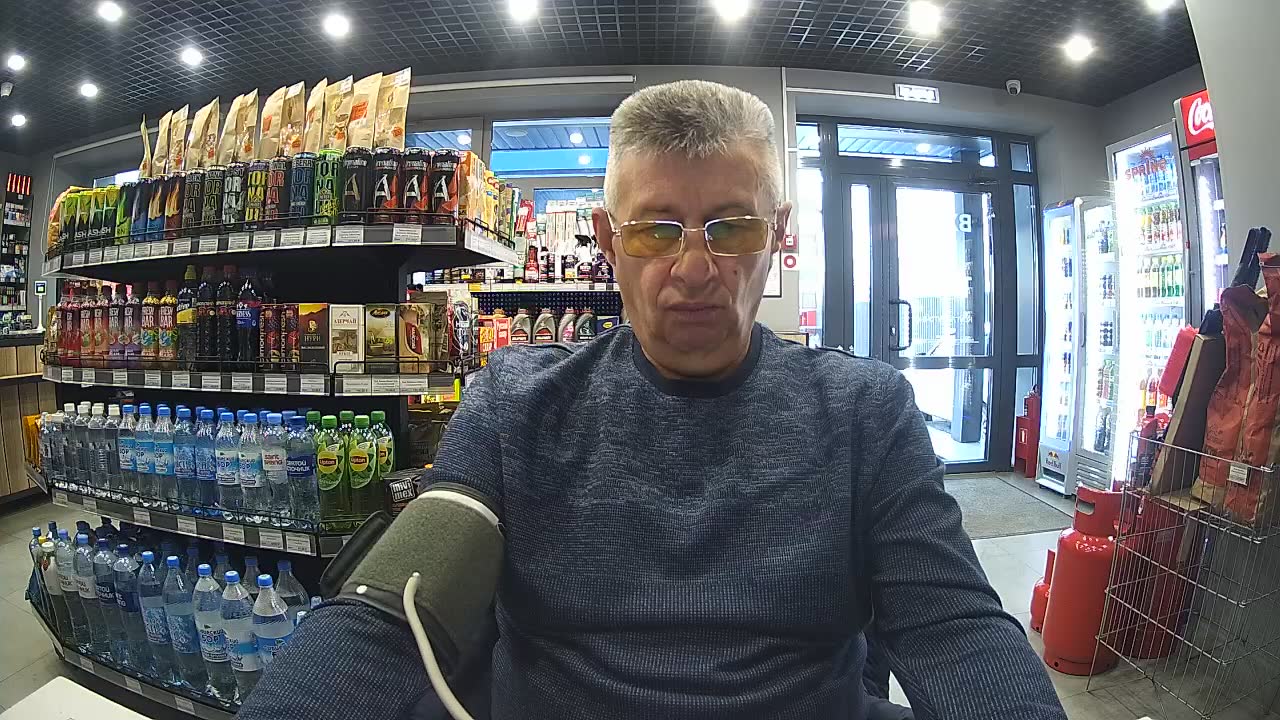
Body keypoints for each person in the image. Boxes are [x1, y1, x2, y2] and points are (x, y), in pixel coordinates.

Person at [238, 80, 1066, 720]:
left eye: (732, 228)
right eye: (655, 231)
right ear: (608, 242)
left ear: (777, 236)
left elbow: (951, 625)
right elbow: (387, 614)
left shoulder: (866, 412)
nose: (695, 269)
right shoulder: (517, 403)